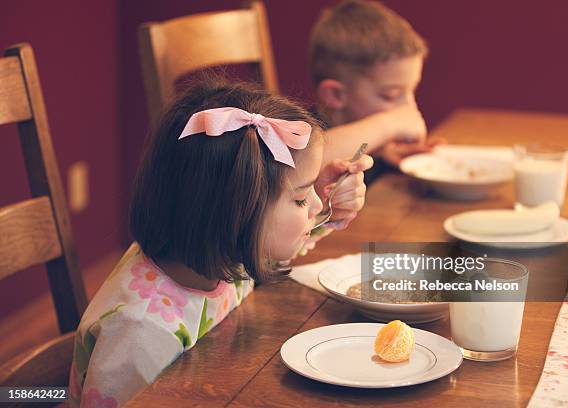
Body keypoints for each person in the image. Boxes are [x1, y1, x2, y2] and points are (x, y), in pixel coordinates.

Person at [69, 80, 372, 407]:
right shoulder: (142, 334)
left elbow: (271, 247)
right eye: (300, 199)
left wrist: (326, 201)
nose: (314, 205)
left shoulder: (223, 251)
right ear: (234, 214)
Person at [310, 0, 445, 183]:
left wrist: (382, 153)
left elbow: (358, 151)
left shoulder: (364, 143)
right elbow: (308, 160)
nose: (408, 107)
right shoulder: (299, 132)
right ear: (336, 95)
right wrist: (389, 124)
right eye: (391, 95)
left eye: (411, 92)